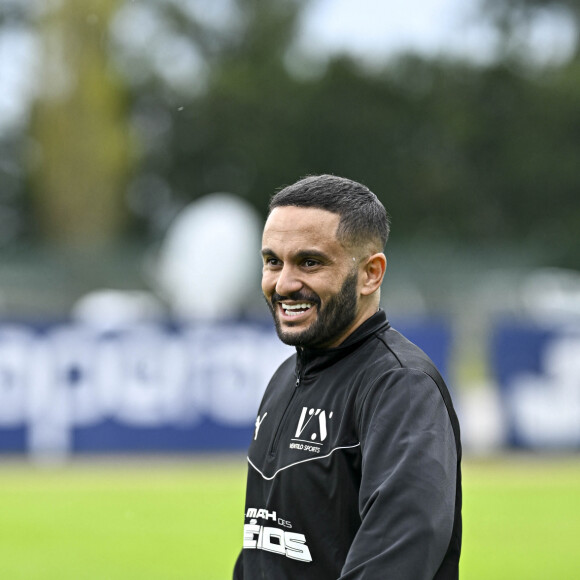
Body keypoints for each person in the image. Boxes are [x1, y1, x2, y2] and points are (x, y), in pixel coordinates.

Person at [233, 174, 462, 579]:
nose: (284, 284)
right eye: (273, 261)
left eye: (310, 262)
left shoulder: (400, 385)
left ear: (370, 273)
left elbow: (399, 557)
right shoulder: (286, 377)